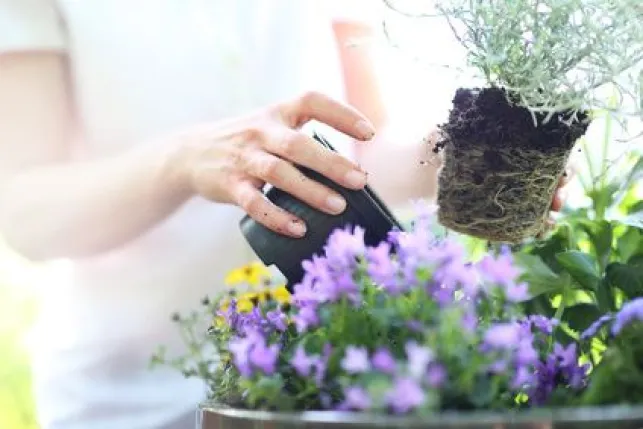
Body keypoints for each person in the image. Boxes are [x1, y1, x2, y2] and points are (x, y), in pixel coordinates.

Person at [0, 1, 569, 428]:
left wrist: (470, 155)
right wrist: (180, 160)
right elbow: (25, 209)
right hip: (128, 402)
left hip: (320, 388)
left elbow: (359, 152)